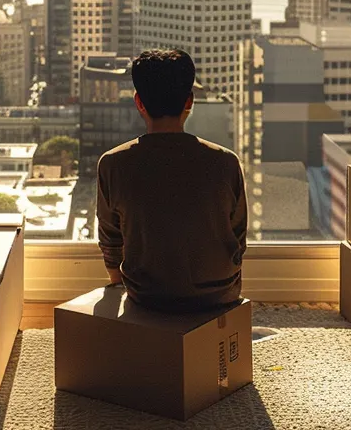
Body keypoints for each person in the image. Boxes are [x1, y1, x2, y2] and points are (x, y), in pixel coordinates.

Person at [94, 49, 248, 313]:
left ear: (139, 102)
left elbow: (111, 241)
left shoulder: (112, 164)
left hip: (147, 296)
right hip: (219, 294)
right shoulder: (226, 162)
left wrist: (121, 288)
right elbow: (237, 238)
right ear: (189, 101)